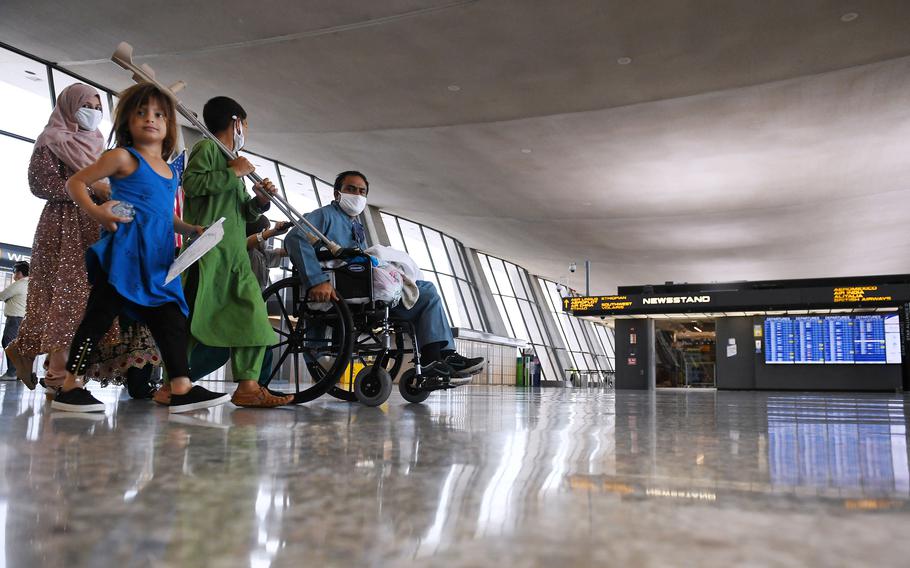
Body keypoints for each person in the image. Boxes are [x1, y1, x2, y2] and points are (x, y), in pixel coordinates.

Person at [53, 82, 229, 413]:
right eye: (142, 112)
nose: (151, 118)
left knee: (172, 320)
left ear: (169, 125)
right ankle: (70, 386)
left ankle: (181, 386)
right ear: (128, 121)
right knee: (99, 317)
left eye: (160, 114)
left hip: (158, 259)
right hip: (124, 256)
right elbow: (75, 182)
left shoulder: (168, 169)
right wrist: (97, 212)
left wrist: (190, 228)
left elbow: (163, 214)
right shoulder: (123, 156)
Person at [5, 83, 161, 400]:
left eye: (98, 107)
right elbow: (40, 184)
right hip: (60, 228)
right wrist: (88, 188)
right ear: (68, 106)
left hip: (93, 226)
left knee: (83, 301)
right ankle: (58, 375)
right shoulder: (51, 141)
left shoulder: (98, 146)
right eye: (86, 104)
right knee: (63, 300)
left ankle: (31, 355)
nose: (93, 112)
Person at [284, 171, 484, 382]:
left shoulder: (356, 225)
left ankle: (441, 357)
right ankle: (435, 358)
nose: (357, 195)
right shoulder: (324, 216)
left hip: (360, 290)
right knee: (426, 291)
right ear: (337, 193)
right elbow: (295, 239)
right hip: (341, 290)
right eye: (351, 189)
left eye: (362, 191)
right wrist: (317, 280)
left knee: (425, 295)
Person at [176, 96, 293, 408]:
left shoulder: (232, 157)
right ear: (235, 121)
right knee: (194, 323)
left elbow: (246, 216)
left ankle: (248, 385)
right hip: (209, 254)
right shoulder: (207, 147)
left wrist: (261, 200)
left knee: (254, 319)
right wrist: (234, 172)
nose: (246, 130)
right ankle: (172, 382)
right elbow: (192, 184)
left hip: (235, 257)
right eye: (246, 123)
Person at [0, 261, 30, 377]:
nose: (14, 275)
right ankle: (19, 373)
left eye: (15, 272)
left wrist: (7, 299)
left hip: (14, 319)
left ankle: (12, 372)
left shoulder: (20, 283)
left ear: (19, 273)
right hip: (21, 319)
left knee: (8, 344)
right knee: (16, 346)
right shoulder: (29, 283)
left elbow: (2, 296)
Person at [246, 217, 291, 289]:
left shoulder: (263, 255)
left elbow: (284, 252)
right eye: (267, 231)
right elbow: (247, 243)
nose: (268, 237)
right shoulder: (246, 252)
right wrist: (274, 232)